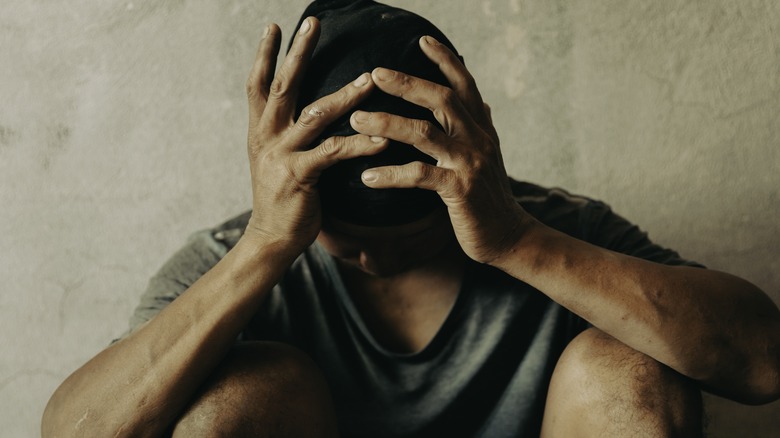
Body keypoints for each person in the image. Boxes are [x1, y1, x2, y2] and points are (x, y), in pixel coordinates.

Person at [42, 1, 780, 437]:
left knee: (631, 375)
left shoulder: (552, 229)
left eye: (411, 237)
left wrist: (518, 241)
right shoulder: (237, 255)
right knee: (237, 398)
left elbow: (763, 361)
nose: (373, 261)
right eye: (346, 242)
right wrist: (267, 245)